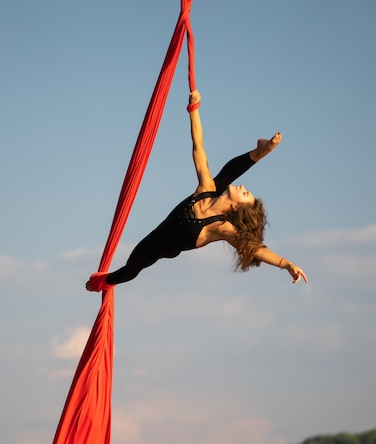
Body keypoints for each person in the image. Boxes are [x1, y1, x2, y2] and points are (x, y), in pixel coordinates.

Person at [86, 90, 307, 292]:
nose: (244, 188)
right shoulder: (206, 189)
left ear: (235, 207)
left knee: (130, 270)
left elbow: (255, 249)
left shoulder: (222, 228)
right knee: (219, 181)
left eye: (245, 194)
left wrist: (287, 264)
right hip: (158, 233)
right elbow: (198, 147)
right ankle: (259, 152)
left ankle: (104, 282)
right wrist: (194, 110)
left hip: (161, 249)